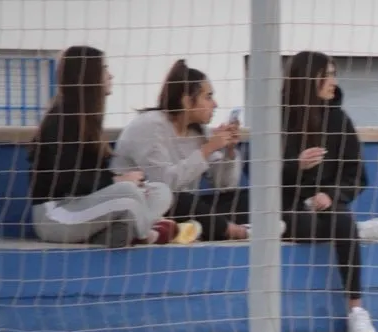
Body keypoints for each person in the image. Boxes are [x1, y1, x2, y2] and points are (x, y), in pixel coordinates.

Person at [282, 51, 378, 332]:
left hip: (329, 205)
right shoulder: (278, 119)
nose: (334, 81)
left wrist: (332, 194)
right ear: (309, 80)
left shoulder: (339, 119)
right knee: (297, 224)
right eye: (327, 74)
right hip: (287, 205)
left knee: (340, 220)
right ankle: (354, 231)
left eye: (334, 74)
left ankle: (356, 309)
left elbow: (357, 175)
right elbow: (254, 172)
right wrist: (296, 165)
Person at [28, 45, 181, 247]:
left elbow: (92, 181)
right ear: (89, 75)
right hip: (56, 215)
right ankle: (146, 234)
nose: (110, 75)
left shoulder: (88, 119)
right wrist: (116, 180)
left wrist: (119, 182)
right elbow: (67, 180)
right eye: (104, 69)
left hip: (83, 208)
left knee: (160, 191)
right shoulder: (62, 118)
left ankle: (121, 234)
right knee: (128, 191)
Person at [112, 59, 246, 241]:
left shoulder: (198, 132)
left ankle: (224, 227)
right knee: (182, 200)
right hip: (146, 205)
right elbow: (165, 184)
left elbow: (225, 185)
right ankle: (230, 230)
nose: (215, 104)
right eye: (208, 97)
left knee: (243, 198)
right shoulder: (150, 126)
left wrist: (228, 152)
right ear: (186, 101)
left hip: (187, 208)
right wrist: (206, 150)